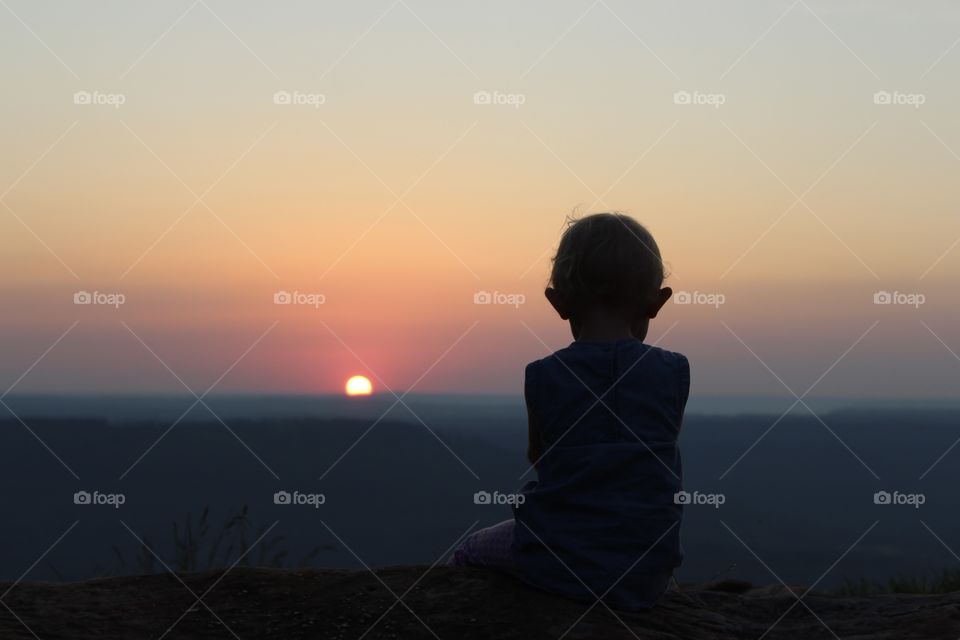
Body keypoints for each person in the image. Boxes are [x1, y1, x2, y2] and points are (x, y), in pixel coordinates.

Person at [451, 212, 689, 611]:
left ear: (557, 301)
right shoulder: (673, 371)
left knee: (468, 551)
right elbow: (657, 453)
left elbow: (539, 456)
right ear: (656, 301)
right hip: (646, 573)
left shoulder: (543, 376)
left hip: (556, 561)